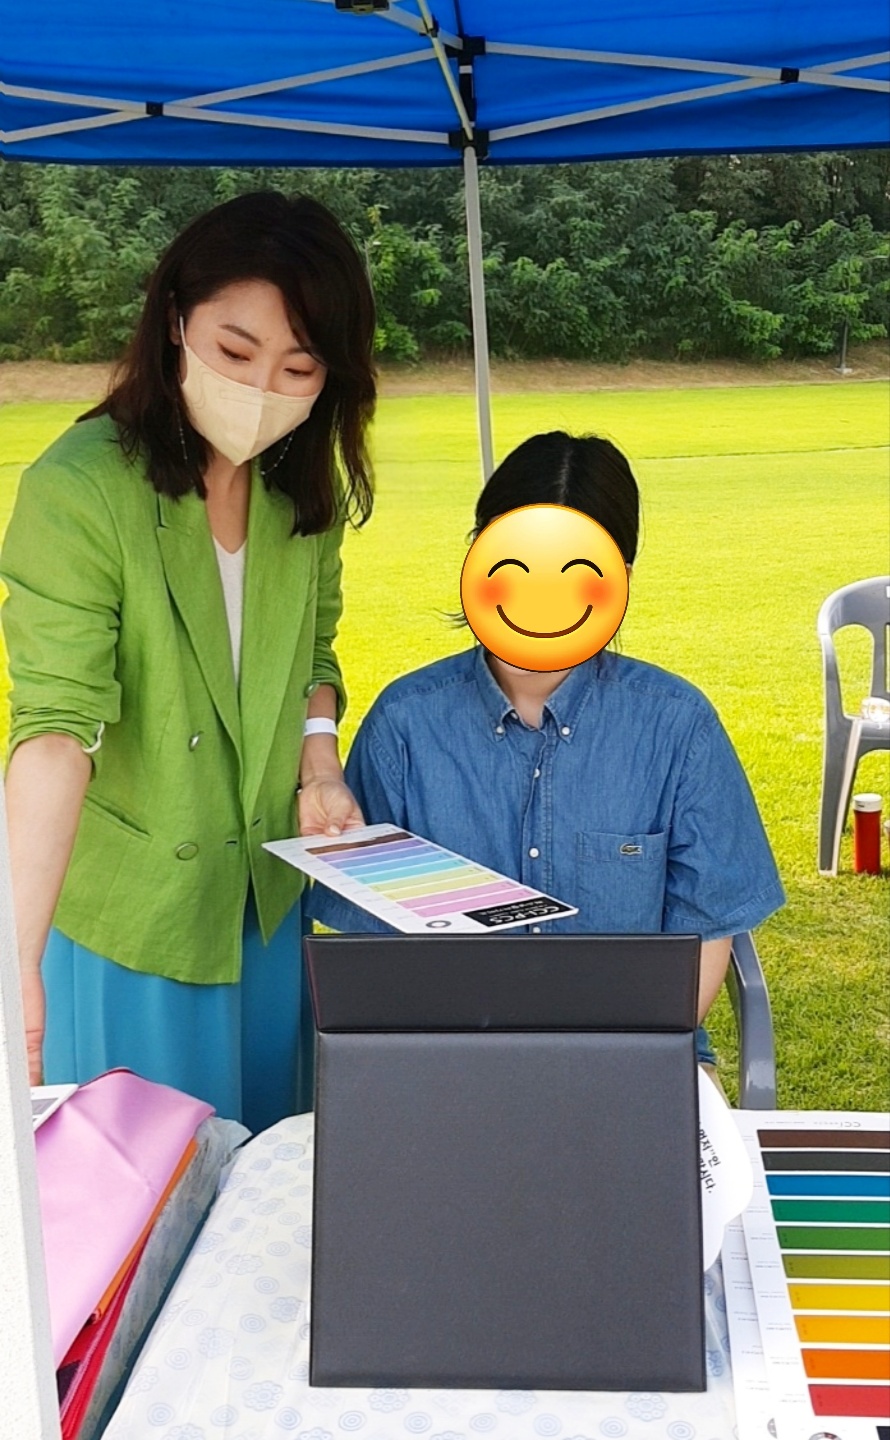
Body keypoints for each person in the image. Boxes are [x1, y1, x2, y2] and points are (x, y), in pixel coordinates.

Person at [1, 191, 375, 1132]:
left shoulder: (301, 491)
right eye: (235, 352)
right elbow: (56, 729)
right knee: (149, 1192)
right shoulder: (79, 489)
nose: (261, 390)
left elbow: (314, 653)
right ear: (175, 319)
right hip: (138, 923)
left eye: (299, 367)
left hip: (266, 909)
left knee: (272, 1185)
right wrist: (17, 958)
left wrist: (320, 762)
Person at [310, 431, 785, 1086]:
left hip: (634, 1061)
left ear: (619, 578)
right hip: (444, 1067)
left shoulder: (677, 726)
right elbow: (372, 951)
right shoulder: (405, 725)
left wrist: (627, 1063)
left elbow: (705, 934)